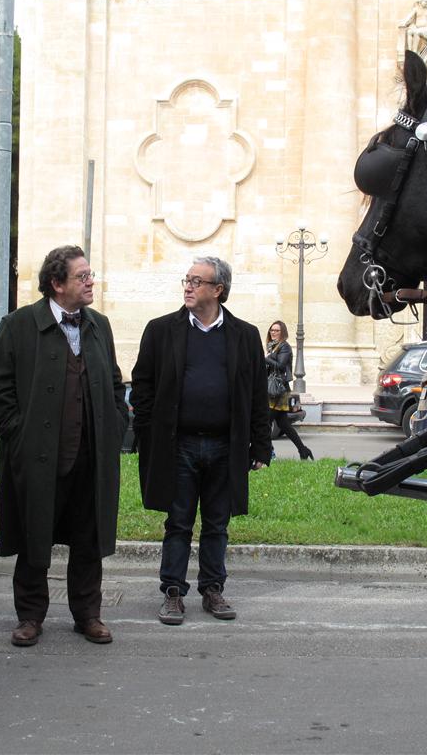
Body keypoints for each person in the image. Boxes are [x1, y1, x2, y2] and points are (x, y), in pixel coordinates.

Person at [0, 245, 127, 648]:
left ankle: (88, 614)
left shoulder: (99, 325)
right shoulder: (18, 325)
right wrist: (19, 436)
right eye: (82, 276)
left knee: (88, 539)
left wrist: (115, 425)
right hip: (38, 458)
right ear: (57, 283)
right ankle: (30, 615)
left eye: (90, 274)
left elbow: (114, 383)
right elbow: (0, 391)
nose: (91, 282)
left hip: (90, 457)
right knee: (34, 535)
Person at [131, 256, 272, 626]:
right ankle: (173, 591)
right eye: (187, 280)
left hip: (226, 447)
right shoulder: (161, 330)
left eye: (197, 281)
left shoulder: (244, 335)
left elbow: (257, 394)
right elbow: (142, 385)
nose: (188, 287)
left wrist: (261, 444)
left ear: (218, 290)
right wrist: (147, 433)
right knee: (178, 522)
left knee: (217, 524)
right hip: (179, 446)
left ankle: (212, 589)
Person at [265, 321, 313, 461]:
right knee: (283, 424)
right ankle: (303, 450)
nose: (273, 332)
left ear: (283, 332)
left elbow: (280, 365)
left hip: (279, 391)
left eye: (277, 330)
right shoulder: (272, 347)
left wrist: (266, 359)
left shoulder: (284, 346)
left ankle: (269, 453)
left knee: (265, 422)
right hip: (273, 390)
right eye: (272, 330)